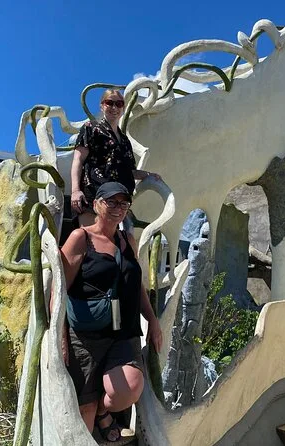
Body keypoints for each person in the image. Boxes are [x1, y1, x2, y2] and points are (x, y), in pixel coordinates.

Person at [61, 182, 163, 442]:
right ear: (97, 204)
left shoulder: (127, 240)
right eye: (112, 201)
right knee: (84, 415)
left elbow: (136, 284)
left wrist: (152, 319)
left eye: (124, 203)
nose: (118, 208)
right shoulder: (80, 238)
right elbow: (58, 290)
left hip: (123, 332)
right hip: (86, 336)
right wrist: (60, 336)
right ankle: (95, 412)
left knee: (128, 389)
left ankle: (102, 410)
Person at [71, 89, 160, 227]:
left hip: (118, 201)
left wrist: (149, 175)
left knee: (110, 240)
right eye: (109, 103)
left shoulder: (124, 140)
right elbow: (78, 160)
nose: (114, 107)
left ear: (123, 108)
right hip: (94, 195)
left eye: (119, 104)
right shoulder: (91, 128)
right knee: (89, 238)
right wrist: (75, 191)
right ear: (102, 105)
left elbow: (129, 171)